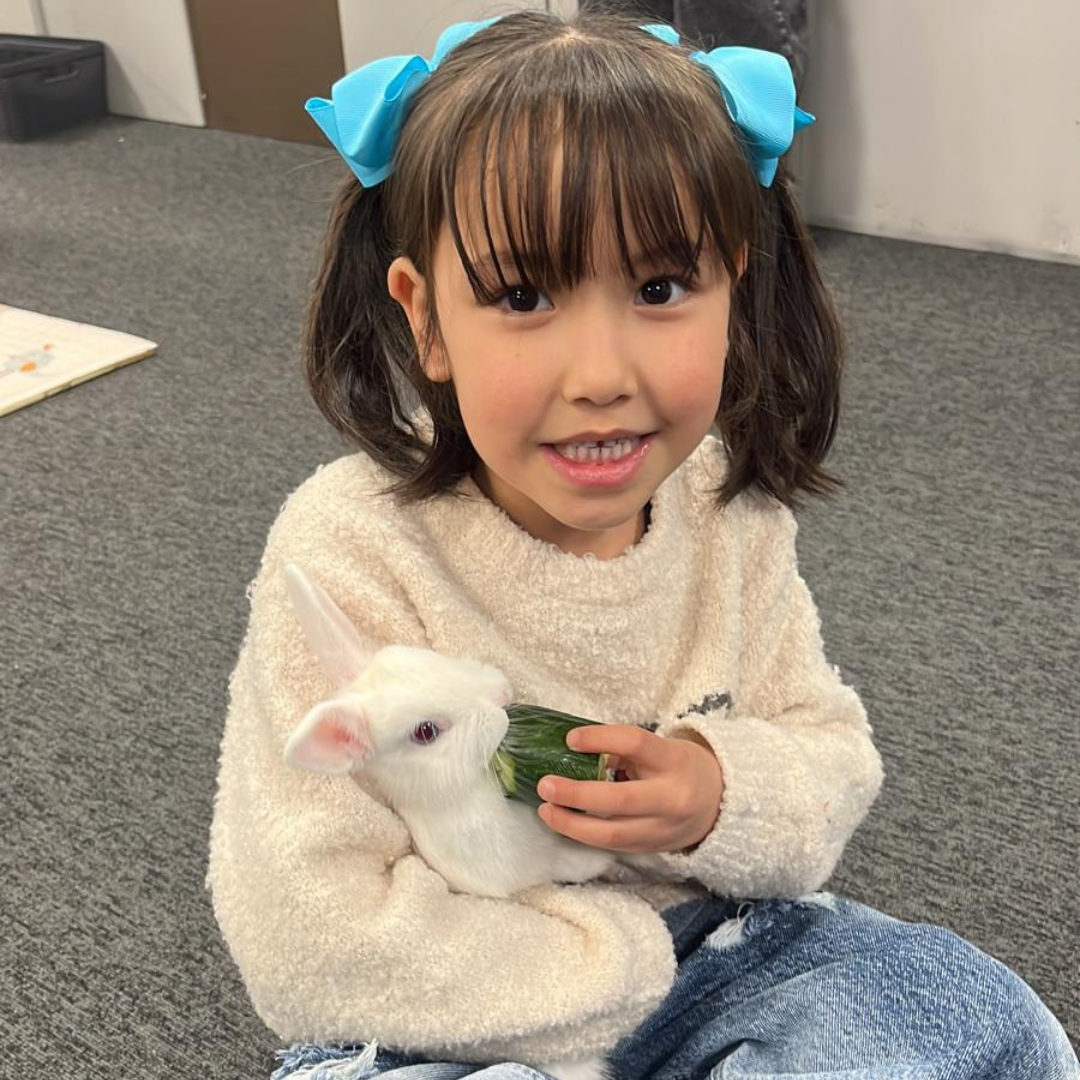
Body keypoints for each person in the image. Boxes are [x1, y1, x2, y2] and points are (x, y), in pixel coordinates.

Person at [205, 10, 1080, 1080]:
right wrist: (612, 973)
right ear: (425, 320)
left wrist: (721, 793)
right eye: (523, 296)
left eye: (660, 290)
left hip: (716, 954)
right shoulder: (351, 546)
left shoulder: (727, 507)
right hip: (455, 1007)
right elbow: (306, 937)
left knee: (974, 1017)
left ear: (733, 293)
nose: (603, 373)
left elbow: (827, 753)